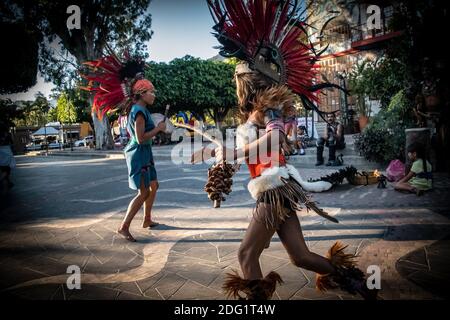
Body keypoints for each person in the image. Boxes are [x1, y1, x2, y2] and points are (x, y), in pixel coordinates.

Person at [207, 0, 377, 300]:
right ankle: (355, 281)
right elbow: (261, 150)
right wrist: (223, 159)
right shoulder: (261, 109)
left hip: (274, 189)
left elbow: (273, 141)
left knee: (247, 255)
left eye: (238, 79)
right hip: (278, 188)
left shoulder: (267, 105)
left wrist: (235, 154)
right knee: (300, 256)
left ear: (246, 82)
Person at [81, 50, 165, 242]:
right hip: (138, 154)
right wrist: (159, 129)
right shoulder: (139, 112)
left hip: (145, 154)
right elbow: (140, 138)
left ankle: (147, 219)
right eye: (151, 92)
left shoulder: (141, 109)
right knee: (143, 192)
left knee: (154, 185)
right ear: (141, 94)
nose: (154, 94)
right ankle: (124, 226)